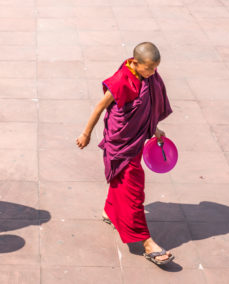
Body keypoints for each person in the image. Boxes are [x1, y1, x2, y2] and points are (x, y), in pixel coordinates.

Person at [76, 42, 174, 265]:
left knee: (122, 184)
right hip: (121, 142)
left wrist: (154, 128)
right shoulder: (121, 80)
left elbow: (146, 107)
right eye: (149, 69)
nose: (152, 73)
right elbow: (100, 107)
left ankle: (110, 211)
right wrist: (86, 134)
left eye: (155, 69)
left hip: (136, 139)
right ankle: (146, 242)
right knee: (133, 193)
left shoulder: (148, 76)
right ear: (135, 63)